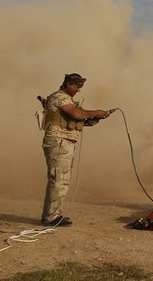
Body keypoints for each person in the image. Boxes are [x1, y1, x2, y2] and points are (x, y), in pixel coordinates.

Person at [40, 73, 110, 227]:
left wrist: (91, 120)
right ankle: (51, 217)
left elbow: (75, 119)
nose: (78, 90)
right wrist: (96, 112)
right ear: (69, 84)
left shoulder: (68, 99)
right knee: (58, 179)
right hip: (59, 142)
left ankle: (54, 214)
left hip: (64, 142)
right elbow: (76, 113)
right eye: (77, 86)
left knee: (62, 180)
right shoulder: (60, 97)